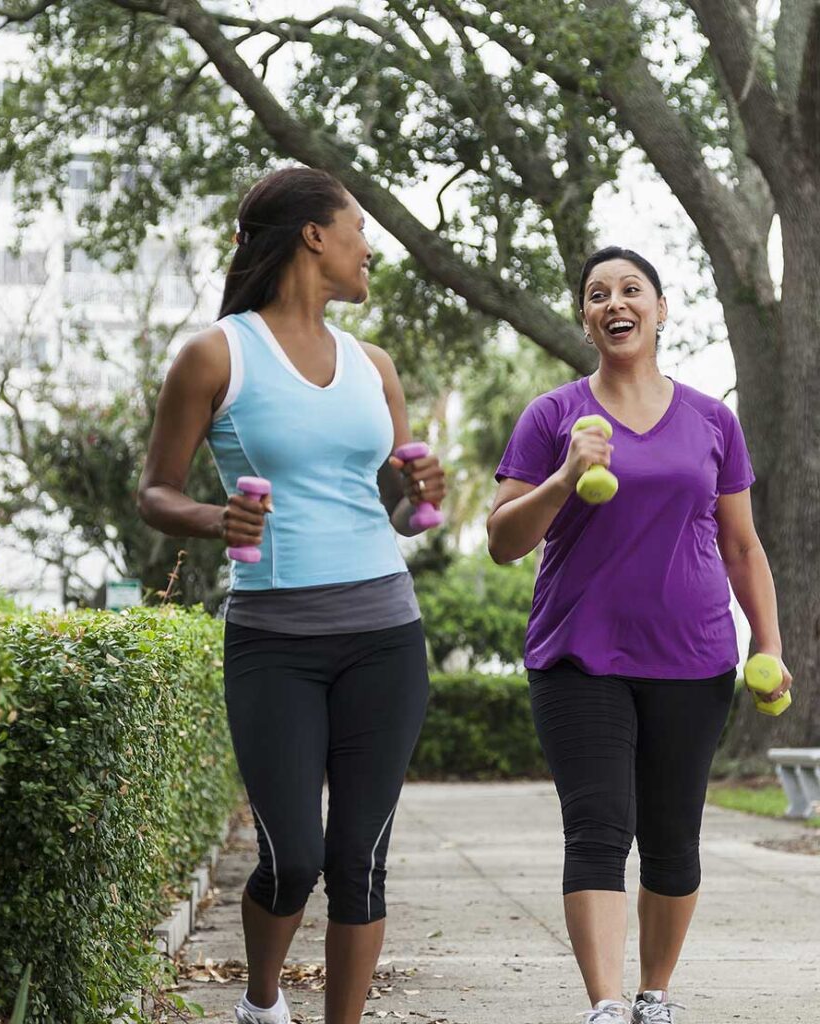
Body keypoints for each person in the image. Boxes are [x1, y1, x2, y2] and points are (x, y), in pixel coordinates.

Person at [137, 167, 446, 1024]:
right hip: (275, 639)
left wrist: (426, 493)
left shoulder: (372, 364)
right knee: (293, 856)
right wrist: (215, 517)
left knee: (361, 857)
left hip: (385, 632)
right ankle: (263, 1002)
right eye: (358, 228)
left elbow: (402, 514)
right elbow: (155, 490)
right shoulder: (216, 353)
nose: (368, 246)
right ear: (315, 235)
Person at [486, 246, 792, 1024]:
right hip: (578, 653)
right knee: (596, 827)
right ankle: (607, 1004)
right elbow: (502, 540)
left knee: (672, 839)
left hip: (692, 656)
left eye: (631, 290)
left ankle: (655, 994)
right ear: (586, 318)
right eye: (597, 294)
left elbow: (742, 545)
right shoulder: (553, 417)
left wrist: (770, 645)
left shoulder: (712, 420)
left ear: (659, 310)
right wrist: (563, 476)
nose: (614, 302)